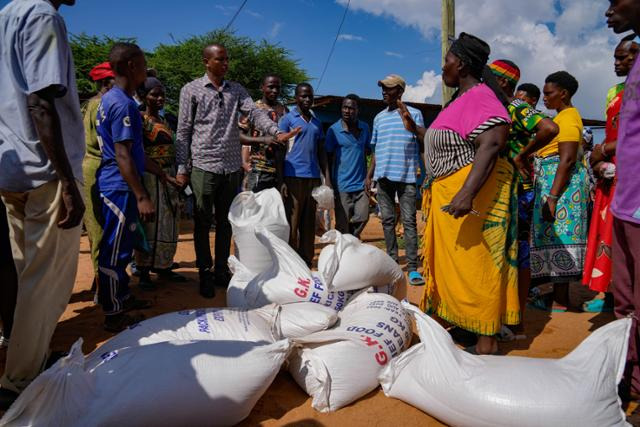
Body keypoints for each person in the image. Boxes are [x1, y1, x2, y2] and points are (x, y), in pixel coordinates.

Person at [398, 33, 519, 355]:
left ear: (461, 64)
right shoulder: (460, 101)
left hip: (465, 198)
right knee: (453, 267)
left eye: (447, 60)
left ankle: (486, 340)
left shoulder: (482, 98)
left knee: (474, 265)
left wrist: (467, 193)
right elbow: (453, 139)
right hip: (447, 195)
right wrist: (417, 131)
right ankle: (464, 323)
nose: (442, 68)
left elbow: (492, 142)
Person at [0, 0, 86, 407]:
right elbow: (39, 101)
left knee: (24, 273)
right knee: (44, 282)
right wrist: (67, 179)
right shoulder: (43, 16)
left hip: (12, 169)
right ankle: (20, 379)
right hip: (46, 171)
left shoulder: (4, 16)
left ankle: (22, 360)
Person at [175, 44, 297, 298]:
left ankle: (221, 270)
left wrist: (275, 131)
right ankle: (205, 272)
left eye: (227, 59)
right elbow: (183, 130)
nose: (226, 63)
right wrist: (181, 166)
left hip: (231, 168)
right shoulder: (191, 90)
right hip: (203, 166)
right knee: (202, 221)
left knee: (225, 222)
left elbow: (254, 114)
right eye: (220, 59)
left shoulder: (237, 90)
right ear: (206, 62)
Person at [95, 43, 171, 332]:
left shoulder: (114, 99)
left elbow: (135, 152)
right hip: (118, 186)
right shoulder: (123, 104)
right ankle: (114, 313)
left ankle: (123, 297)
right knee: (115, 251)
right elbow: (123, 154)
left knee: (123, 246)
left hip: (120, 182)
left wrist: (158, 172)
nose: (145, 70)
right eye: (143, 64)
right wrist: (142, 195)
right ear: (130, 66)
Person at [489, 59, 559, 332]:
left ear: (503, 82)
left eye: (491, 78)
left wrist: (521, 154)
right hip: (504, 188)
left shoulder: (516, 106)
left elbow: (549, 129)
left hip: (519, 190)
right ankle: (505, 312)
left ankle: (515, 318)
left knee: (519, 251)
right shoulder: (498, 107)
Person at [582, 35, 639, 313]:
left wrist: (604, 149)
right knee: (608, 232)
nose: (615, 63)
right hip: (610, 172)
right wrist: (598, 163)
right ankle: (609, 294)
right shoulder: (614, 90)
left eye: (622, 57)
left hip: (630, 167)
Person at [605, 0, 640, 402]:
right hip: (625, 202)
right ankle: (629, 385)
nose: (608, 11)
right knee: (625, 303)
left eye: (616, 2)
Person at [530, 71, 587, 311]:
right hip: (555, 186)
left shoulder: (569, 118)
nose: (544, 98)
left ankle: (561, 300)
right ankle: (557, 296)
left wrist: (552, 197)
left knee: (562, 237)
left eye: (549, 93)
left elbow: (567, 159)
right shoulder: (562, 117)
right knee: (554, 237)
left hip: (563, 189)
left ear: (563, 93)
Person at [366, 74, 425, 285]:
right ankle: (392, 263)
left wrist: (427, 173)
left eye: (388, 88)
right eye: (382, 88)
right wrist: (369, 175)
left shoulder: (415, 114)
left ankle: (412, 268)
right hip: (383, 176)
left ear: (399, 92)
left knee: (409, 221)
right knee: (388, 221)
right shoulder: (379, 118)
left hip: (407, 176)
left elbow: (422, 142)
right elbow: (376, 149)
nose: (384, 92)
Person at [134, 77, 186, 289]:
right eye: (154, 94)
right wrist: (165, 176)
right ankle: (144, 271)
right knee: (150, 224)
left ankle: (164, 267)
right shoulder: (139, 120)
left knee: (168, 224)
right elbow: (137, 153)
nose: (160, 98)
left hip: (169, 177)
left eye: (162, 94)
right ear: (143, 96)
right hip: (150, 178)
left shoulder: (165, 121)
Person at [279, 83, 330, 266]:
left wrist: (327, 179)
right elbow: (280, 149)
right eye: (303, 96)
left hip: (313, 178)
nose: (307, 99)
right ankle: (291, 263)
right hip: (292, 177)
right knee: (292, 222)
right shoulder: (287, 119)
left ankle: (306, 260)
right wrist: (282, 179)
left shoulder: (316, 123)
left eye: (310, 96)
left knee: (309, 222)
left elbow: (321, 151)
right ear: (296, 97)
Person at [82, 62, 115, 290]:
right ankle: (101, 282)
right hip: (97, 167)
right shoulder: (100, 105)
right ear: (105, 82)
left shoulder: (90, 104)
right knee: (99, 229)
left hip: (93, 166)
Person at [325, 94, 371, 238]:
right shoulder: (333, 130)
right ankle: (343, 253)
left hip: (361, 184)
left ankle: (350, 237)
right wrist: (328, 181)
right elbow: (327, 156)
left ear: (358, 110)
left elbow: (369, 151)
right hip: (341, 185)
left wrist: (369, 176)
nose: (347, 111)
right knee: (342, 223)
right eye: (344, 107)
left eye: (351, 108)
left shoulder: (364, 128)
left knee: (363, 217)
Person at [238, 74, 288, 193]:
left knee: (274, 209)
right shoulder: (252, 109)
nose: (275, 91)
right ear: (262, 87)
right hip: (255, 169)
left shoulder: (284, 111)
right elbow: (239, 137)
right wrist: (263, 140)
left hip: (279, 171)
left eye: (278, 87)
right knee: (252, 207)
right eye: (271, 87)